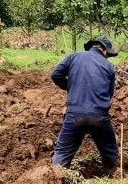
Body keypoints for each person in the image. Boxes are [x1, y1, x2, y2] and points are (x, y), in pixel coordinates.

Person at [51, 35, 119, 175]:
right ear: (105, 50)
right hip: (99, 116)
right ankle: (114, 176)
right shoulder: (108, 66)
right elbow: (109, 95)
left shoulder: (73, 57)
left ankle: (56, 178)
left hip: (74, 114)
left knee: (63, 150)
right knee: (109, 148)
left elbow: (55, 74)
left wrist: (70, 86)